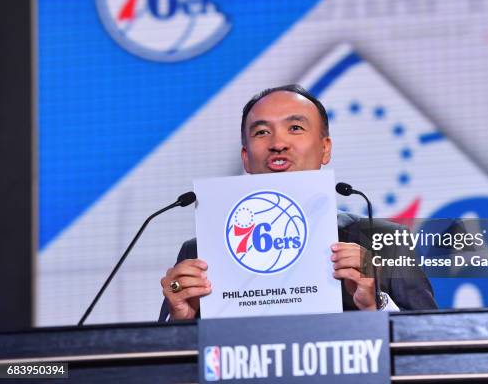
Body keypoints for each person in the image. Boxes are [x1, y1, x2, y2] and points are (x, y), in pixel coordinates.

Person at [159, 85, 436, 321]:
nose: (278, 143)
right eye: (261, 132)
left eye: (295, 127)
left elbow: (432, 350)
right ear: (246, 157)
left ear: (325, 148)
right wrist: (182, 320)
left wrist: (375, 306)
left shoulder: (383, 240)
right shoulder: (200, 252)